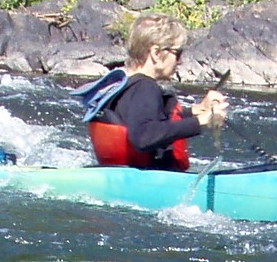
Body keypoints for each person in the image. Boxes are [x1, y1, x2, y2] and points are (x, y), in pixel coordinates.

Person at [71, 13, 229, 171]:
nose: (180, 61)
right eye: (177, 53)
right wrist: (200, 121)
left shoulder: (125, 85)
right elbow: (144, 137)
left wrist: (198, 110)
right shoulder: (146, 87)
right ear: (156, 53)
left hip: (121, 175)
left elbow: (149, 117)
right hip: (150, 180)